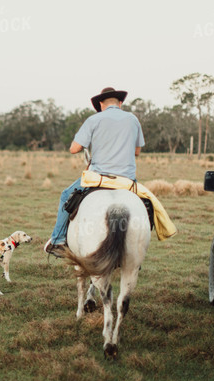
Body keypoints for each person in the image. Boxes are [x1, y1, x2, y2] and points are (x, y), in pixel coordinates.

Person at [44, 87, 145, 256]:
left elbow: (74, 149)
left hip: (98, 177)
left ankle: (58, 240)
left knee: (65, 195)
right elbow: (137, 152)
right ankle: (140, 245)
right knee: (148, 205)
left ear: (100, 104)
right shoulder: (133, 119)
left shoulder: (94, 119)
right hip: (127, 179)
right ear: (120, 103)